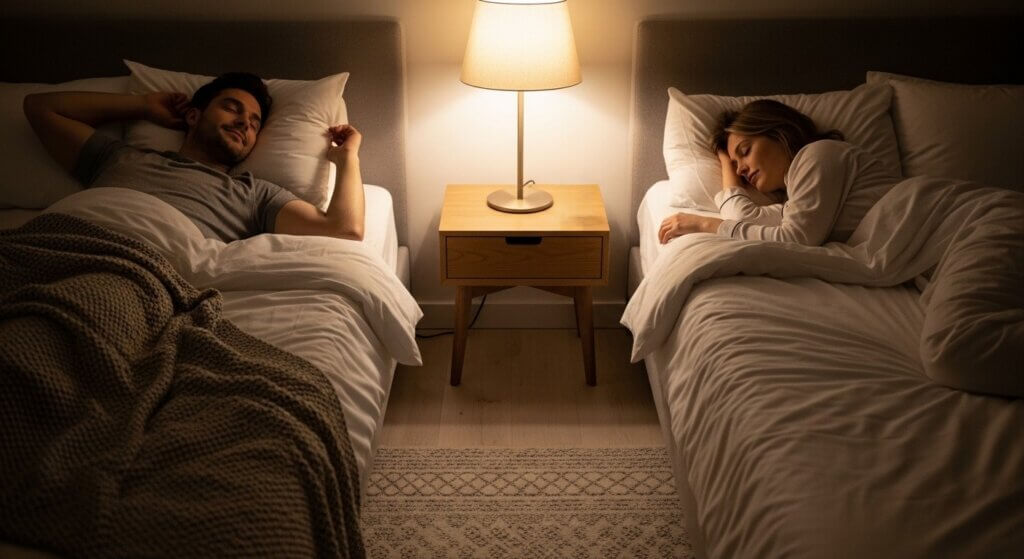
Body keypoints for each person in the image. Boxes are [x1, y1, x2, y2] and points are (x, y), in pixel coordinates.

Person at [22, 72, 363, 243]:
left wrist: (347, 156)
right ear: (194, 116)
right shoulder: (121, 157)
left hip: (134, 273)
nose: (245, 122)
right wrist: (142, 106)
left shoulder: (253, 195)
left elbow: (344, 229)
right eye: (232, 108)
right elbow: (40, 107)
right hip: (54, 245)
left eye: (255, 123)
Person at [658, 99, 897, 246]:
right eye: (735, 165)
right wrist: (726, 161)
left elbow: (795, 241)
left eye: (745, 151)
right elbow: (744, 219)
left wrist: (704, 224)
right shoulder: (798, 197)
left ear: (778, 133)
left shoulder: (818, 155)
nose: (740, 169)